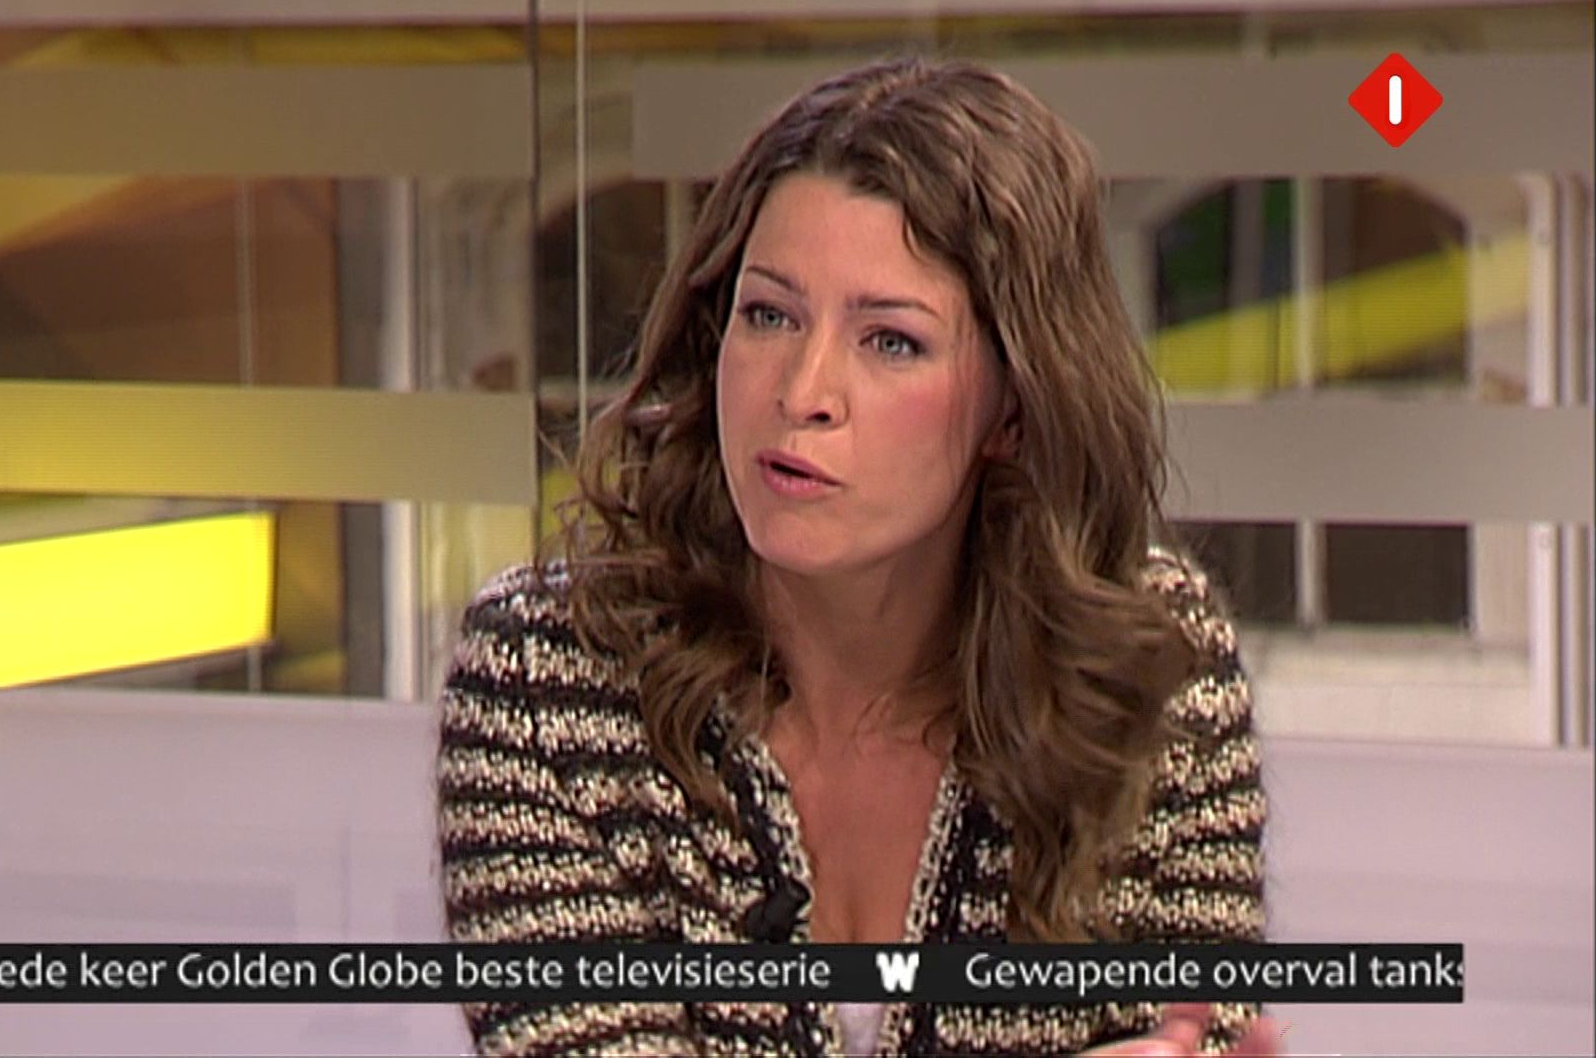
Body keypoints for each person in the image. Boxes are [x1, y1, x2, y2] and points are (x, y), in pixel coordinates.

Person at [437, 56, 1278, 1057]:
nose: (802, 392)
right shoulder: (545, 678)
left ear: (1015, 407)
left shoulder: (1155, 673)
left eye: (890, 341)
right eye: (769, 316)